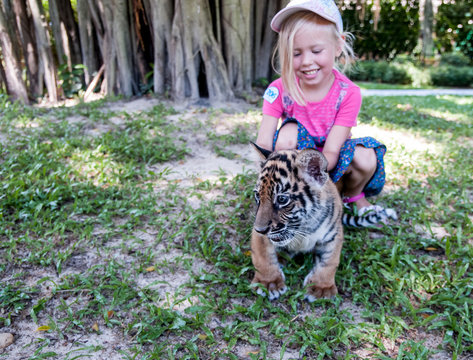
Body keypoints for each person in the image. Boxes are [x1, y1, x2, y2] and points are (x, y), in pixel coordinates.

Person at [256, 0, 395, 223]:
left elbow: (331, 152)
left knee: (367, 157)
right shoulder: (278, 89)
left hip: (329, 162)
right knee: (287, 133)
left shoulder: (348, 93)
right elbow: (264, 142)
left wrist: (313, 171)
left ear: (338, 46)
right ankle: (290, 199)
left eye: (316, 50)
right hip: (294, 167)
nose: (307, 61)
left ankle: (351, 195)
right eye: (296, 53)